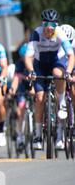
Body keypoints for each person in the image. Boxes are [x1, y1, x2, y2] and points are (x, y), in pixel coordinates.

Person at [24, 9, 74, 150]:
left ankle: (62, 105)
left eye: (52, 26)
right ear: (43, 24)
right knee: (39, 98)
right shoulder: (37, 33)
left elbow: (71, 55)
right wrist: (31, 71)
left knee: (58, 73)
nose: (49, 29)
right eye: (46, 25)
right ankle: (38, 135)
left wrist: (68, 72)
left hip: (56, 62)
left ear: (56, 26)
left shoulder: (60, 33)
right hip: (40, 65)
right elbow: (28, 56)